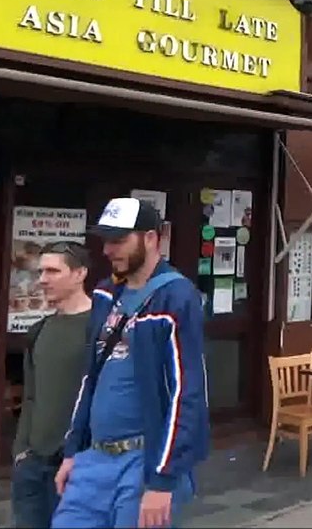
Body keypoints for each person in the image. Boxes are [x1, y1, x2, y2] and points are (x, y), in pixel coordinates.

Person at [53, 197, 208, 529]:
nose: (108, 249)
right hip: (92, 458)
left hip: (142, 459)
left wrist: (162, 480)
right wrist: (72, 450)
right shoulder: (105, 294)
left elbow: (187, 391)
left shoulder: (176, 297)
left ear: (151, 238)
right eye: (106, 240)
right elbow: (89, 378)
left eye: (119, 240)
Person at [12, 242, 93, 529]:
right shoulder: (39, 331)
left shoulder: (102, 329)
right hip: (33, 467)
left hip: (79, 466)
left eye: (52, 271)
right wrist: (22, 451)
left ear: (79, 273)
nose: (42, 279)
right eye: (41, 271)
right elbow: (31, 396)